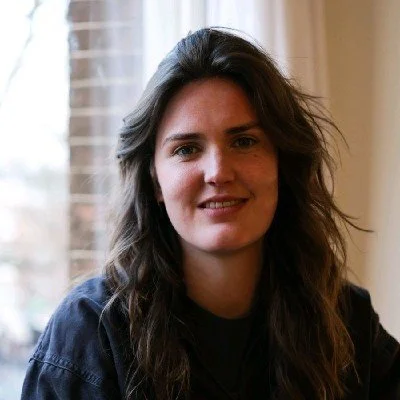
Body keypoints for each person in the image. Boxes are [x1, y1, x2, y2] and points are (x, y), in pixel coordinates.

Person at [21, 27, 400, 400]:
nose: (218, 172)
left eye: (244, 141)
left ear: (282, 164)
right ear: (155, 182)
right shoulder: (89, 332)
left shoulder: (348, 322)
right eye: (186, 149)